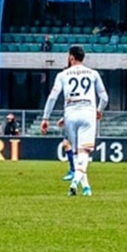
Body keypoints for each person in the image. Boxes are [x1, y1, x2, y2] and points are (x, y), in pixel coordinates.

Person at [40, 44, 109, 197]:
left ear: (71, 57)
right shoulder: (93, 73)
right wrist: (99, 111)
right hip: (88, 113)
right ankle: (75, 182)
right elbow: (104, 98)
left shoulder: (63, 75)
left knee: (78, 153)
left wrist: (46, 118)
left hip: (70, 114)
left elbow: (52, 97)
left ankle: (86, 188)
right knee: (84, 152)